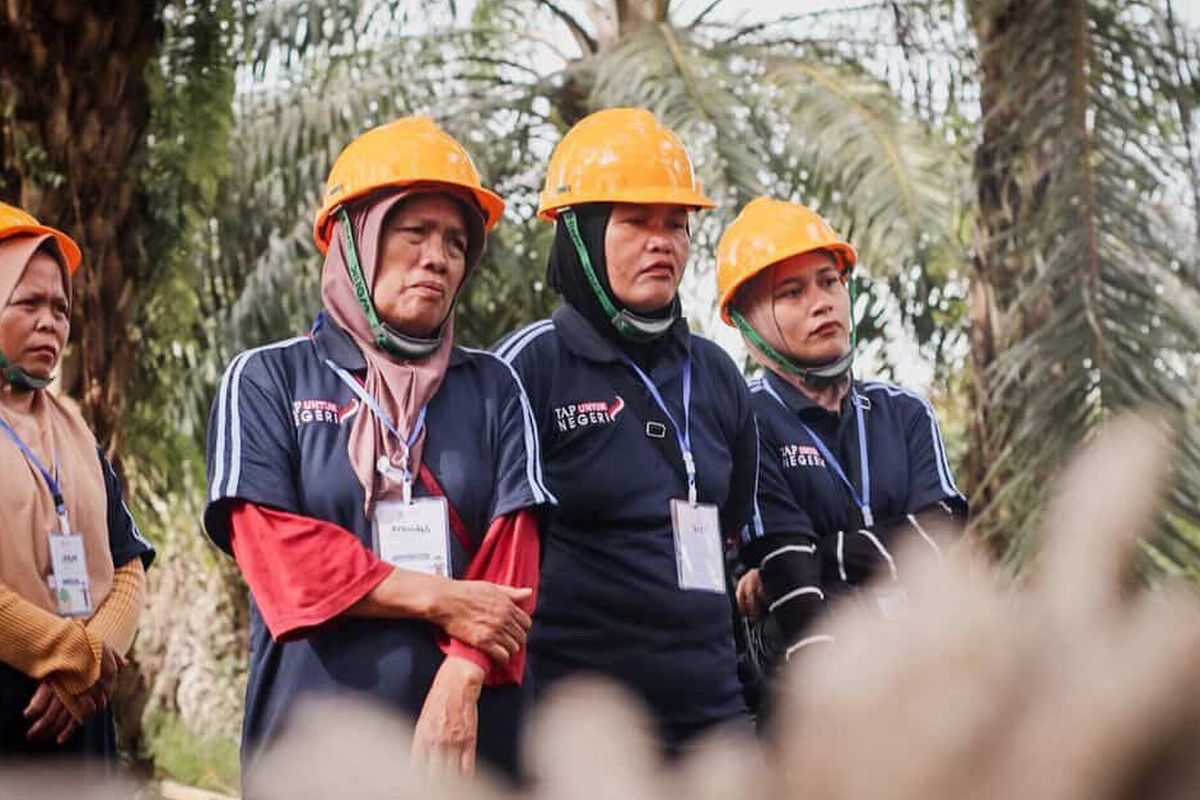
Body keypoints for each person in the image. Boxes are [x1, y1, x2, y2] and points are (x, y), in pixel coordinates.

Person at [202, 117, 554, 780]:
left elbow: (515, 556)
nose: (438, 257)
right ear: (352, 239)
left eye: (456, 241)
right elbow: (282, 559)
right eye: (413, 231)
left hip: (468, 752)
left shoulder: (492, 387)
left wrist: (462, 675)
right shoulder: (269, 379)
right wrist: (443, 599)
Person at [495, 108, 760, 753]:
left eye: (676, 224)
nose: (662, 242)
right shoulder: (527, 366)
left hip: (713, 723)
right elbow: (484, 547)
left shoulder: (718, 373)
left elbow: (737, 529)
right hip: (579, 733)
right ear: (582, 236)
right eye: (636, 222)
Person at [715, 197, 967, 673]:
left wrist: (818, 554)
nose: (822, 302)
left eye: (829, 281)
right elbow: (792, 576)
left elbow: (938, 542)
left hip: (932, 683)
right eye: (792, 292)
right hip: (811, 699)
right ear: (745, 321)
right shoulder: (744, 420)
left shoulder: (905, 412)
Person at [0, 201, 154, 758]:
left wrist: (88, 662)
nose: (51, 322)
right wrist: (74, 657)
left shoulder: (75, 433)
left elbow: (127, 566)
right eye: (28, 303)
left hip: (82, 720)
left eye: (61, 308)